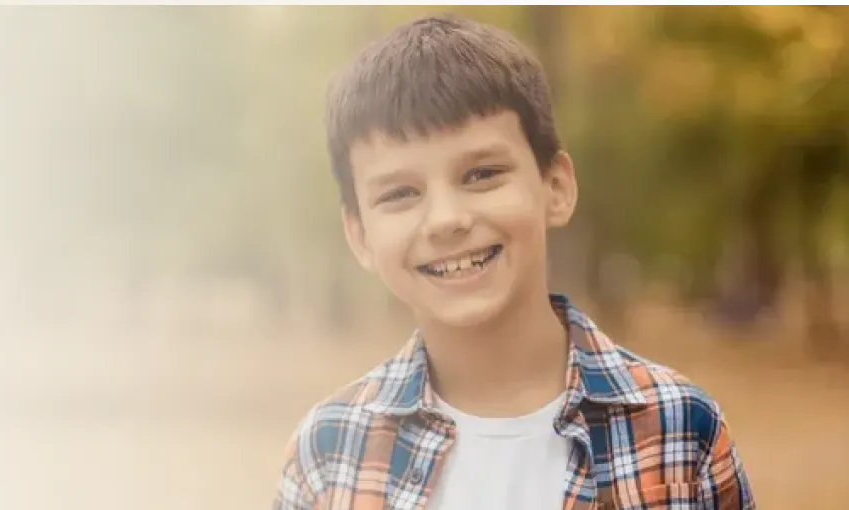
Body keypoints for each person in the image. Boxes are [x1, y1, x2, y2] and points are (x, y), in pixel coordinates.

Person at [272, 14, 754, 510]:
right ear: (359, 234)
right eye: (399, 193)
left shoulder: (680, 429)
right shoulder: (328, 452)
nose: (446, 220)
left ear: (556, 187)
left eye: (482, 174)